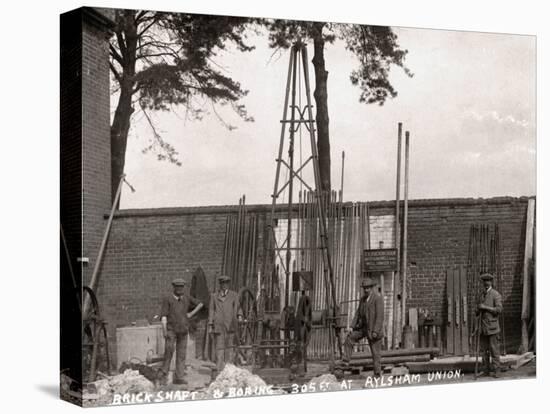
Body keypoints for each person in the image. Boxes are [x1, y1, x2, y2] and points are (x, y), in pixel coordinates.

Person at [159, 278, 203, 385]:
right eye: (177, 287)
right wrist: (164, 331)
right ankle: (163, 376)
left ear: (183, 288)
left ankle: (179, 377)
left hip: (183, 331)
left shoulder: (186, 298)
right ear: (174, 287)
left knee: (181, 355)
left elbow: (200, 304)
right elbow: (164, 316)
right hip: (171, 331)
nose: (179, 289)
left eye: (181, 287)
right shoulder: (168, 298)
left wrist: (191, 314)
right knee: (169, 352)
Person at [343, 277, 384, 377]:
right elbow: (358, 313)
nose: (366, 290)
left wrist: (375, 331)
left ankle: (377, 374)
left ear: (372, 288)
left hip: (374, 330)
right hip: (363, 328)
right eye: (364, 288)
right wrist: (352, 327)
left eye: (368, 288)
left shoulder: (377, 298)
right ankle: (345, 362)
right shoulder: (362, 300)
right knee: (350, 338)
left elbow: (380, 316)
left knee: (375, 353)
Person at [208, 275, 243, 372]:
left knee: (229, 348)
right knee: (219, 348)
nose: (224, 285)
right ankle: (220, 370)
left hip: (230, 325)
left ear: (228, 284)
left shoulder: (234, 295)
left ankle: (229, 370)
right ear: (220, 285)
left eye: (226, 283)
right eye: (222, 283)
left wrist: (239, 316)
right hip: (218, 326)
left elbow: (238, 307)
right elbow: (211, 310)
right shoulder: (214, 296)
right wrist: (210, 324)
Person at [476, 272, 503, 378]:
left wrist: (485, 307)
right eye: (484, 281)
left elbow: (499, 309)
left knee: (494, 350)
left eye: (488, 281)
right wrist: (477, 310)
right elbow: (477, 311)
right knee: (484, 351)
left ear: (491, 282)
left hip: (493, 328)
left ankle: (497, 370)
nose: (486, 283)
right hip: (483, 328)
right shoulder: (481, 295)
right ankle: (486, 370)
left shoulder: (496, 294)